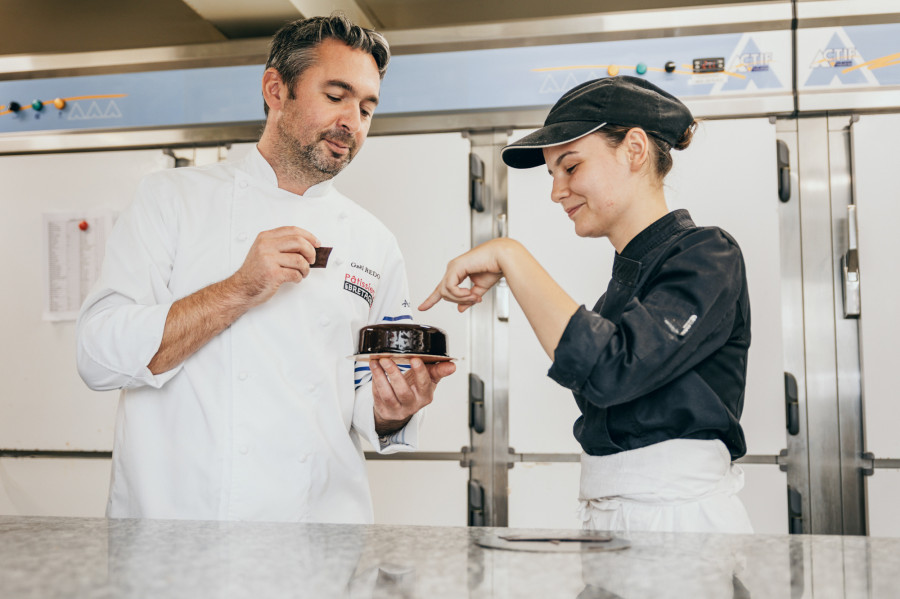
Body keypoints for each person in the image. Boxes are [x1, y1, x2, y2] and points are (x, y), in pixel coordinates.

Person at [76, 14, 455, 523]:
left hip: (315, 539)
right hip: (175, 538)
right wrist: (239, 289)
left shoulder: (374, 242)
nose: (353, 122)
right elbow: (98, 356)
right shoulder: (172, 200)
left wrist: (397, 405)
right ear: (276, 90)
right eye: (336, 95)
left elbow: (374, 407)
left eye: (367, 108)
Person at [421, 75, 753, 534]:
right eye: (552, 174)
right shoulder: (620, 288)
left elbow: (611, 370)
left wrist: (510, 255)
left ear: (635, 150)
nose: (556, 191)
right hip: (618, 515)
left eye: (571, 167)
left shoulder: (708, 255)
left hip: (679, 522)